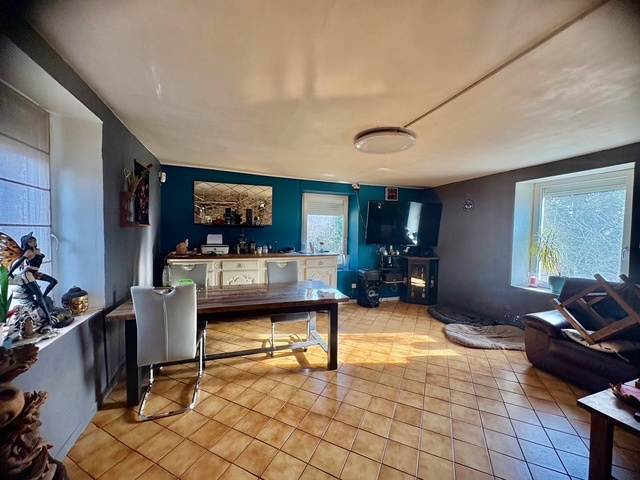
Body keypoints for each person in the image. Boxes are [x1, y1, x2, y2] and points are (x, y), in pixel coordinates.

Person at [8, 232, 58, 325]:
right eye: (30, 241)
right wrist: (10, 272)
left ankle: (43, 297)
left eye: (34, 240)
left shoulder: (37, 250)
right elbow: (19, 262)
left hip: (35, 272)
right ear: (26, 243)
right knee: (38, 294)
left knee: (53, 281)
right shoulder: (28, 252)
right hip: (28, 273)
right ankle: (48, 318)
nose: (33, 242)